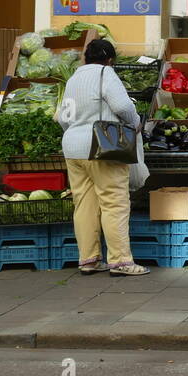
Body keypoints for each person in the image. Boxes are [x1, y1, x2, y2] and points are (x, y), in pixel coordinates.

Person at [57, 39, 148, 277]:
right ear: (110, 59)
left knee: (84, 205)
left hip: (73, 148)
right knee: (114, 203)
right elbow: (122, 106)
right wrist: (135, 123)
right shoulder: (105, 74)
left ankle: (88, 260)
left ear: (86, 57)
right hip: (102, 147)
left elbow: (62, 117)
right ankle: (120, 262)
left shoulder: (74, 78)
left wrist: (77, 129)